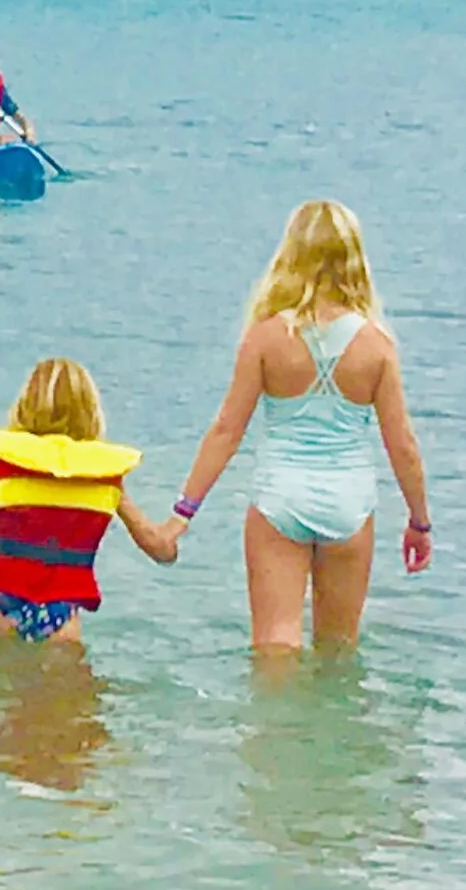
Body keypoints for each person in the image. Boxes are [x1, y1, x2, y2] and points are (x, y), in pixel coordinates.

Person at [167, 200, 433, 654]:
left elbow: (227, 431)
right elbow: (402, 444)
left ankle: (273, 704)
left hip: (280, 499)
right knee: (339, 650)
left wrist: (183, 512)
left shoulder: (266, 336)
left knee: (274, 646)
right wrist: (419, 522)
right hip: (349, 503)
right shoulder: (377, 345)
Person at [0, 357, 181, 644]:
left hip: (3, 606)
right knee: (65, 672)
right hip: (62, 613)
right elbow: (156, 547)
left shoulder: (8, 464)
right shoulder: (102, 474)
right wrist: (171, 538)